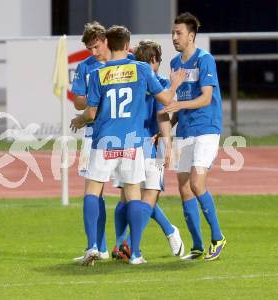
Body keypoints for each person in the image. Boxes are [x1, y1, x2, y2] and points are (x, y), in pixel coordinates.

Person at [71, 25, 186, 265]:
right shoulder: (142, 69)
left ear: (108, 44)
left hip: (104, 141)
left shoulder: (98, 74)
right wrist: (174, 85)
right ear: (127, 45)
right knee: (133, 193)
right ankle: (135, 254)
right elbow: (165, 100)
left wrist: (79, 120)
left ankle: (93, 246)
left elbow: (90, 113)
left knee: (93, 190)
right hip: (132, 143)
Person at [112, 40, 185, 261]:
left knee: (128, 198)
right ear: (154, 60)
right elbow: (163, 114)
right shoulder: (159, 82)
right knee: (148, 197)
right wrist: (167, 144)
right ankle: (134, 248)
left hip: (123, 142)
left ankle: (121, 244)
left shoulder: (127, 81)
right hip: (147, 145)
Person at [164, 12, 226, 261]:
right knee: (184, 188)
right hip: (185, 130)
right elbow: (176, 101)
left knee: (197, 184)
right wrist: (168, 124)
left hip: (206, 129)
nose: (174, 37)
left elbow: (206, 98)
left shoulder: (205, 60)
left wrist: (179, 106)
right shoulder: (174, 64)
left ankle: (218, 237)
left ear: (191, 35)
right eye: (173, 32)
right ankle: (198, 246)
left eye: (179, 33)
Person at [71, 21, 111, 262]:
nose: (94, 53)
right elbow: (77, 100)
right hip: (92, 134)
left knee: (132, 192)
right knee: (95, 191)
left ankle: (133, 248)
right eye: (90, 49)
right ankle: (98, 246)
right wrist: (94, 101)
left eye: (96, 47)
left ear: (106, 40)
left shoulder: (124, 61)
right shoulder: (85, 67)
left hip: (122, 135)